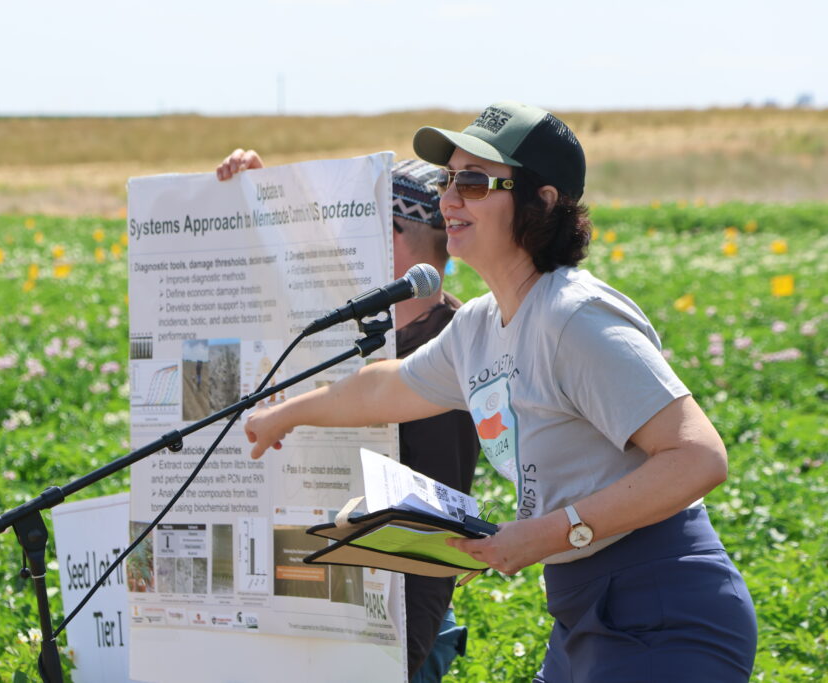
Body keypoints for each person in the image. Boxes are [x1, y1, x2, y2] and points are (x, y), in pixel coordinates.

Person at [243, 101, 758, 682]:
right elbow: (387, 387)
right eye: (447, 180)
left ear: (543, 202)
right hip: (581, 609)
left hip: (664, 610)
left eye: (475, 182)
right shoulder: (480, 326)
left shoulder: (574, 318)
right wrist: (287, 414)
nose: (450, 199)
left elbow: (698, 456)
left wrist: (548, 532)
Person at [217, 150, 481, 681]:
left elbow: (433, 523)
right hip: (325, 604)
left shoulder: (448, 348)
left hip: (399, 623)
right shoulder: (356, 330)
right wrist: (258, 188)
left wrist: (401, 659)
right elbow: (300, 261)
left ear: (391, 236)